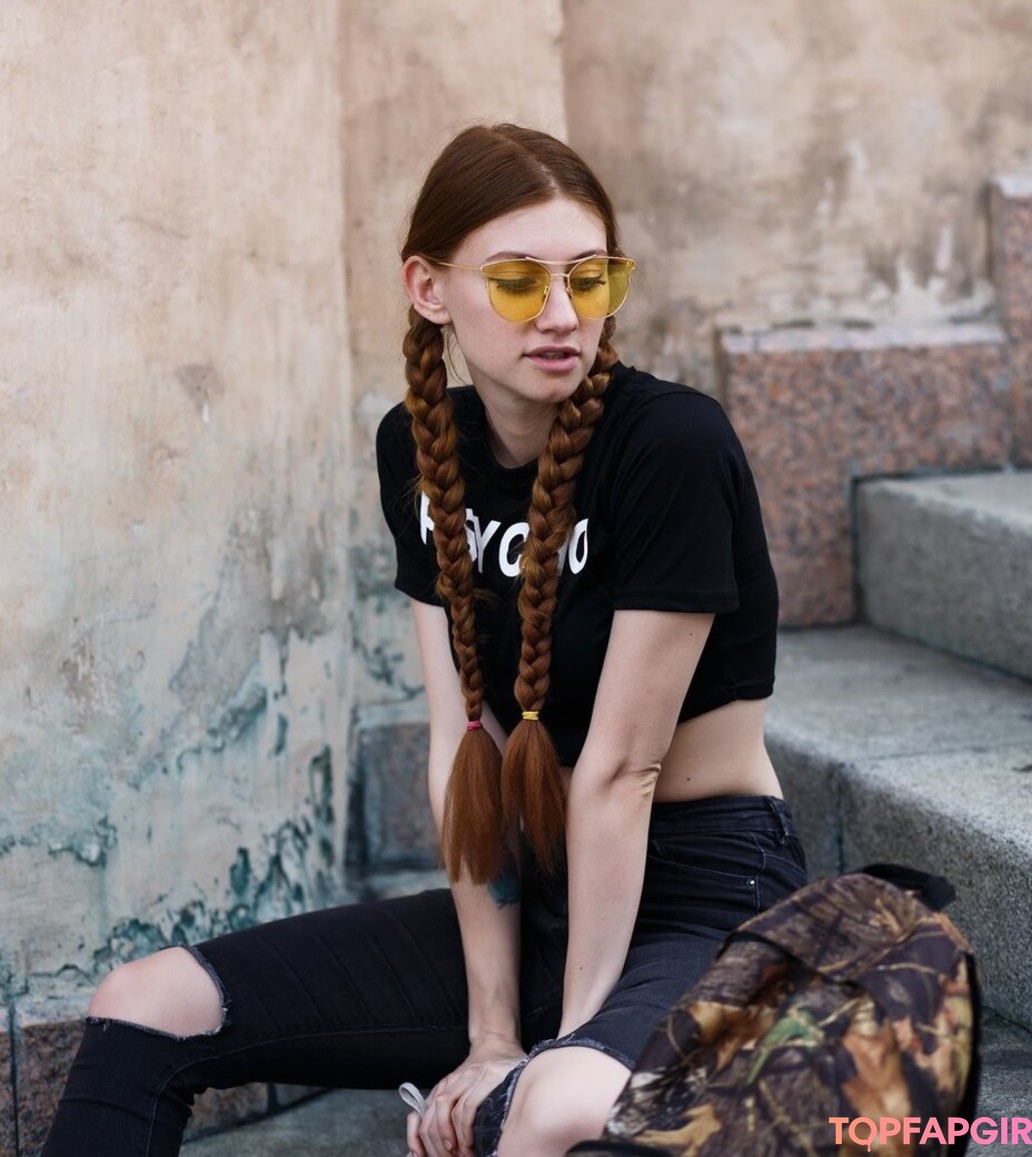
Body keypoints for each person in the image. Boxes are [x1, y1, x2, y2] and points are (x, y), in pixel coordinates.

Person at [42, 123, 806, 1157]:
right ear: (429, 288)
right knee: (144, 1005)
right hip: (535, 888)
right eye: (518, 281)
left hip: (701, 894)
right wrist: (491, 1030)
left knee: (557, 1105)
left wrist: (550, 1047)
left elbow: (620, 772)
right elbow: (464, 745)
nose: (563, 313)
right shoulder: (417, 446)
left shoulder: (670, 443)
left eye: (589, 277)